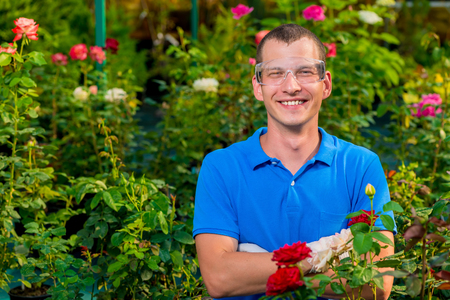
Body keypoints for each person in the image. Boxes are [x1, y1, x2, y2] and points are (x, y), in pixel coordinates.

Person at [193, 24, 395, 300]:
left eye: (305, 71)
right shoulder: (221, 167)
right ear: (257, 86)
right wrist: (324, 253)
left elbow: (376, 284)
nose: (291, 86)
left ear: (325, 84)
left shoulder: (361, 166)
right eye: (275, 73)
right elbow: (220, 278)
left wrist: (257, 266)